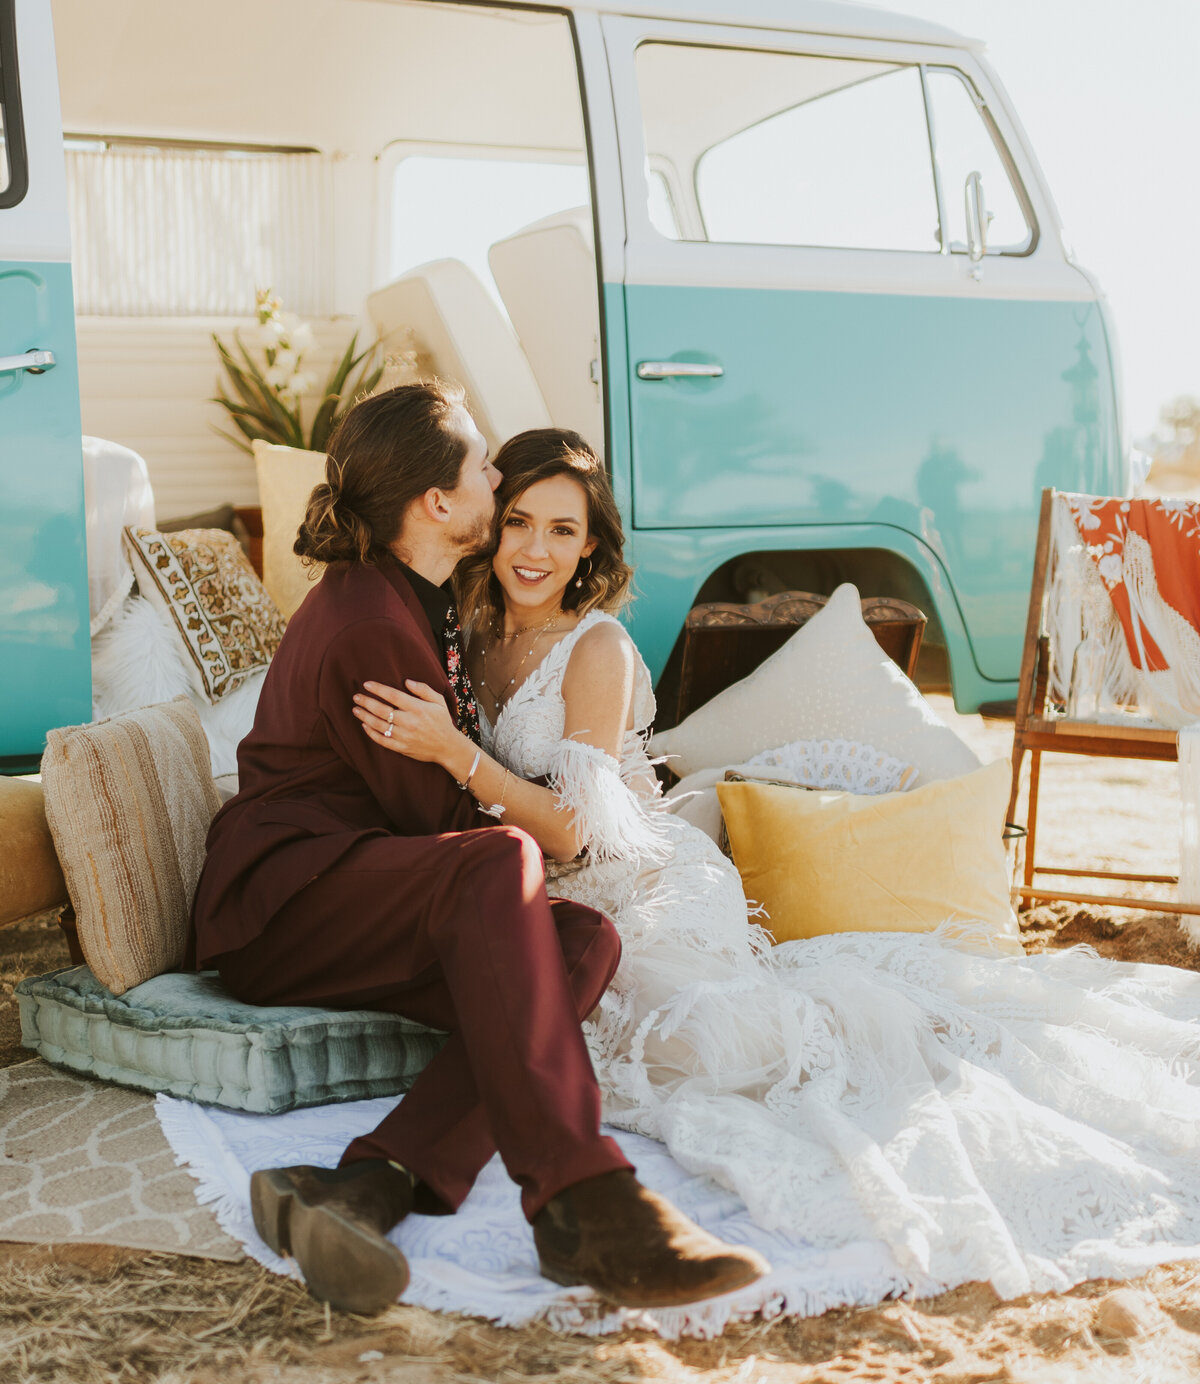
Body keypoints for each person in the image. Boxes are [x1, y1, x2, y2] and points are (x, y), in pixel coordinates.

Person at [355, 426, 1200, 1305]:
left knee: (702, 1051)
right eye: (520, 520)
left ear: (592, 545)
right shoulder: (468, 629)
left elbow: (574, 830)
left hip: (631, 880)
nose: (534, 550)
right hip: (527, 881)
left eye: (563, 531)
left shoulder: (594, 648)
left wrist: (458, 755)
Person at [188, 386, 767, 1316]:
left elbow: (454, 809)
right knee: (501, 864)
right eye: (485, 469)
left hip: (358, 889)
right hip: (284, 903)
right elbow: (443, 833)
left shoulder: (421, 599)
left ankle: (361, 1186)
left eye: (560, 527)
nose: (498, 483)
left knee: (583, 941)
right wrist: (479, 784)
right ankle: (586, 1199)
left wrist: (469, 769)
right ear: (438, 503)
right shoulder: (374, 621)